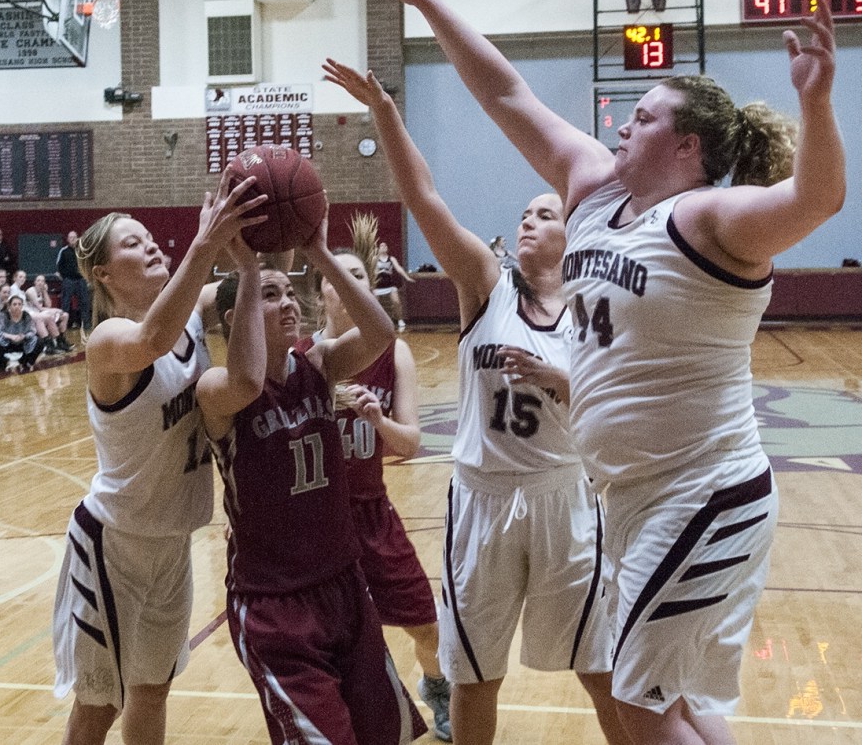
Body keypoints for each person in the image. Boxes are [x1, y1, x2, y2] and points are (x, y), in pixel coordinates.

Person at [373, 0, 846, 745]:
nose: (625, 124)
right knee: (680, 700)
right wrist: (428, 1)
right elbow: (507, 95)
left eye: (646, 116)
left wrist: (815, 103)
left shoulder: (707, 217)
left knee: (636, 696)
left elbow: (818, 201)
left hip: (703, 491)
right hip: (634, 499)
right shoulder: (592, 189)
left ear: (688, 146)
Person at [325, 59, 619, 745]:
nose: (528, 220)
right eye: (523, 213)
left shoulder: (595, 311)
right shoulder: (487, 284)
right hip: (483, 497)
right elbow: (425, 199)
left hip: (563, 497)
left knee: (600, 666)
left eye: (545, 213)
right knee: (473, 674)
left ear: (572, 234)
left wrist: (558, 377)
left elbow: (609, 407)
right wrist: (386, 114)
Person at [196, 206, 426, 745]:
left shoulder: (317, 364)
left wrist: (318, 251)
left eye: (289, 292)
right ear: (234, 318)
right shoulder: (215, 388)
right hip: (274, 600)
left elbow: (381, 330)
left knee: (381, 736)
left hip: (343, 584)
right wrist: (250, 269)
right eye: (270, 296)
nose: (288, 303)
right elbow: (250, 379)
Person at [51, 172, 266, 745]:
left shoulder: (190, 311)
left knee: (153, 687)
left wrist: (253, 246)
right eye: (131, 243)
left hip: (171, 539)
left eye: (150, 237)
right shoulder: (108, 339)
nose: (149, 244)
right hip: (113, 542)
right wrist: (204, 244)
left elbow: (256, 287)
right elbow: (152, 338)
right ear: (102, 273)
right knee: (100, 704)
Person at [295, 217, 452, 741]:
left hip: (372, 511)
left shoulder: (394, 353)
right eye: (342, 277)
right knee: (335, 641)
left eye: (361, 276)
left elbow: (410, 444)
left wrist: (377, 422)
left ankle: (436, 687)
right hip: (319, 523)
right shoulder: (304, 358)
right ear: (324, 293)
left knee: (425, 622)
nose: (353, 285)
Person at [0, 295, 42, 373]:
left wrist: (24, 336)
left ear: (22, 306)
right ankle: (3, 363)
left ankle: (27, 362)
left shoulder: (26, 316)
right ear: (9, 306)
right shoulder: (4, 315)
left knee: (39, 341)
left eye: (19, 304)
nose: (17, 306)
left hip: (22, 343)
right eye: (14, 304)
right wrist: (11, 336)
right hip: (7, 343)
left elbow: (33, 331)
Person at [374, 240, 414, 332]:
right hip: (378, 286)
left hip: (390, 285)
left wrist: (407, 277)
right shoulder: (374, 259)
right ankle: (377, 322)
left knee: (396, 302)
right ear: (378, 249)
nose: (384, 247)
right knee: (375, 304)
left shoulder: (391, 259)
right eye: (381, 246)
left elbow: (399, 268)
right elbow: (373, 271)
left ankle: (400, 320)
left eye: (385, 246)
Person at [57, 230, 91, 333]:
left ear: (77, 238)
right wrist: (65, 277)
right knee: (66, 303)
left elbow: (87, 264)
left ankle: (86, 325)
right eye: (70, 237)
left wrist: (86, 276)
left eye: (74, 237)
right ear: (67, 239)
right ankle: (64, 325)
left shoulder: (82, 251)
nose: (72, 239)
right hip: (69, 281)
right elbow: (59, 266)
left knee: (85, 302)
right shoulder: (63, 251)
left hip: (81, 280)